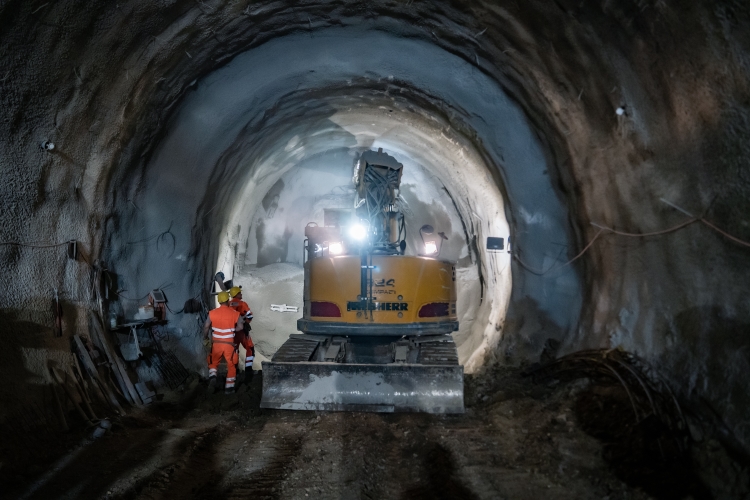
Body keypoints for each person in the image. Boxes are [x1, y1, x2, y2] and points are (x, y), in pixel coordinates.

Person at [202, 290, 243, 394]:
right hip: (229, 344)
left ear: (219, 301)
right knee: (231, 365)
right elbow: (240, 327)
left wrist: (205, 337)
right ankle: (229, 390)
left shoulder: (212, 313)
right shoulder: (235, 314)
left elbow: (206, 327)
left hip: (216, 344)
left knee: (213, 362)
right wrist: (232, 330)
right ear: (228, 300)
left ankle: (212, 377)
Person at [229, 286, 255, 380]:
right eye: (240, 292)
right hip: (242, 331)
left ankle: (235, 371)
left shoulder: (228, 304)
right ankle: (248, 371)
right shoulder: (242, 304)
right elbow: (249, 316)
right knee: (250, 348)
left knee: (235, 350)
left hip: (232, 332)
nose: (241, 294)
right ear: (237, 294)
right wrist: (246, 323)